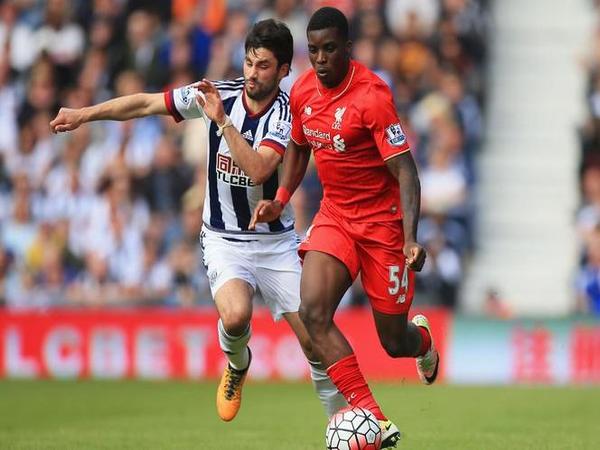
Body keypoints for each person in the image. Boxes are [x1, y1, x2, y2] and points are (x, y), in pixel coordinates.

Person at [50, 19, 345, 423]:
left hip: (275, 241)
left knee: (314, 340)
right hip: (224, 236)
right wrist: (84, 114)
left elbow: (259, 169)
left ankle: (339, 423)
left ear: (282, 71)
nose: (252, 74)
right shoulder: (216, 94)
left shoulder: (286, 113)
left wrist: (222, 122)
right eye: (248, 62)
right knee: (237, 315)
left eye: (263, 66)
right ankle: (237, 365)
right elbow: (145, 103)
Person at [250, 7, 440, 448]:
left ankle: (424, 341)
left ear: (347, 49)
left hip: (383, 227)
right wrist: (280, 199)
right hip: (336, 216)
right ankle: (373, 416)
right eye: (313, 50)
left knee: (394, 340)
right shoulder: (301, 92)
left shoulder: (372, 96)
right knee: (312, 311)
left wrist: (411, 237)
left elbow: (407, 171)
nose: (320, 59)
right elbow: (298, 149)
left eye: (329, 49)